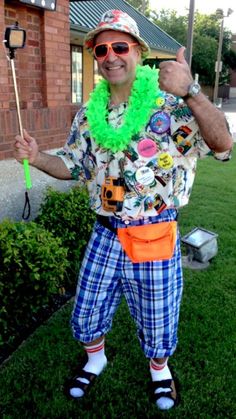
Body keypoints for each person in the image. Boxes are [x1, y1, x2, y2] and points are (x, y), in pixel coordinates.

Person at [14, 9, 233, 411]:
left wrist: (192, 92)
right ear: (95, 56)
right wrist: (37, 156)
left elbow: (222, 145)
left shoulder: (173, 106)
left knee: (158, 315)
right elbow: (72, 165)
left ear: (138, 51)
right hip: (105, 232)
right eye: (101, 49)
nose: (110, 55)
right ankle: (96, 358)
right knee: (86, 310)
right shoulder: (86, 115)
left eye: (119, 46)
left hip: (154, 232)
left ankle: (160, 371)